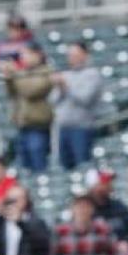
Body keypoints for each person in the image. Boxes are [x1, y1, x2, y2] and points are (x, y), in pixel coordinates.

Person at [47, 193, 123, 255]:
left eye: (86, 206)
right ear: (72, 209)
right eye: (79, 206)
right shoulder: (60, 232)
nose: (82, 210)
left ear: (92, 209)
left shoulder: (103, 229)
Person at [51, 41, 102, 170]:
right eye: (70, 55)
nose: (72, 58)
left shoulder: (92, 74)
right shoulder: (65, 74)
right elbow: (53, 99)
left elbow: (85, 99)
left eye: (75, 55)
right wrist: (59, 86)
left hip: (82, 128)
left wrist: (65, 87)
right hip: (63, 128)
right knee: (64, 167)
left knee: (83, 165)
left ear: (85, 55)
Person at [4, 42, 53, 173]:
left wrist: (15, 73)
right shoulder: (23, 73)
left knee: (38, 165)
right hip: (22, 125)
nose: (22, 58)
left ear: (37, 54)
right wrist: (8, 78)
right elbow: (12, 93)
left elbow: (30, 91)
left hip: (38, 126)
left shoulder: (46, 71)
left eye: (25, 54)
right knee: (25, 168)